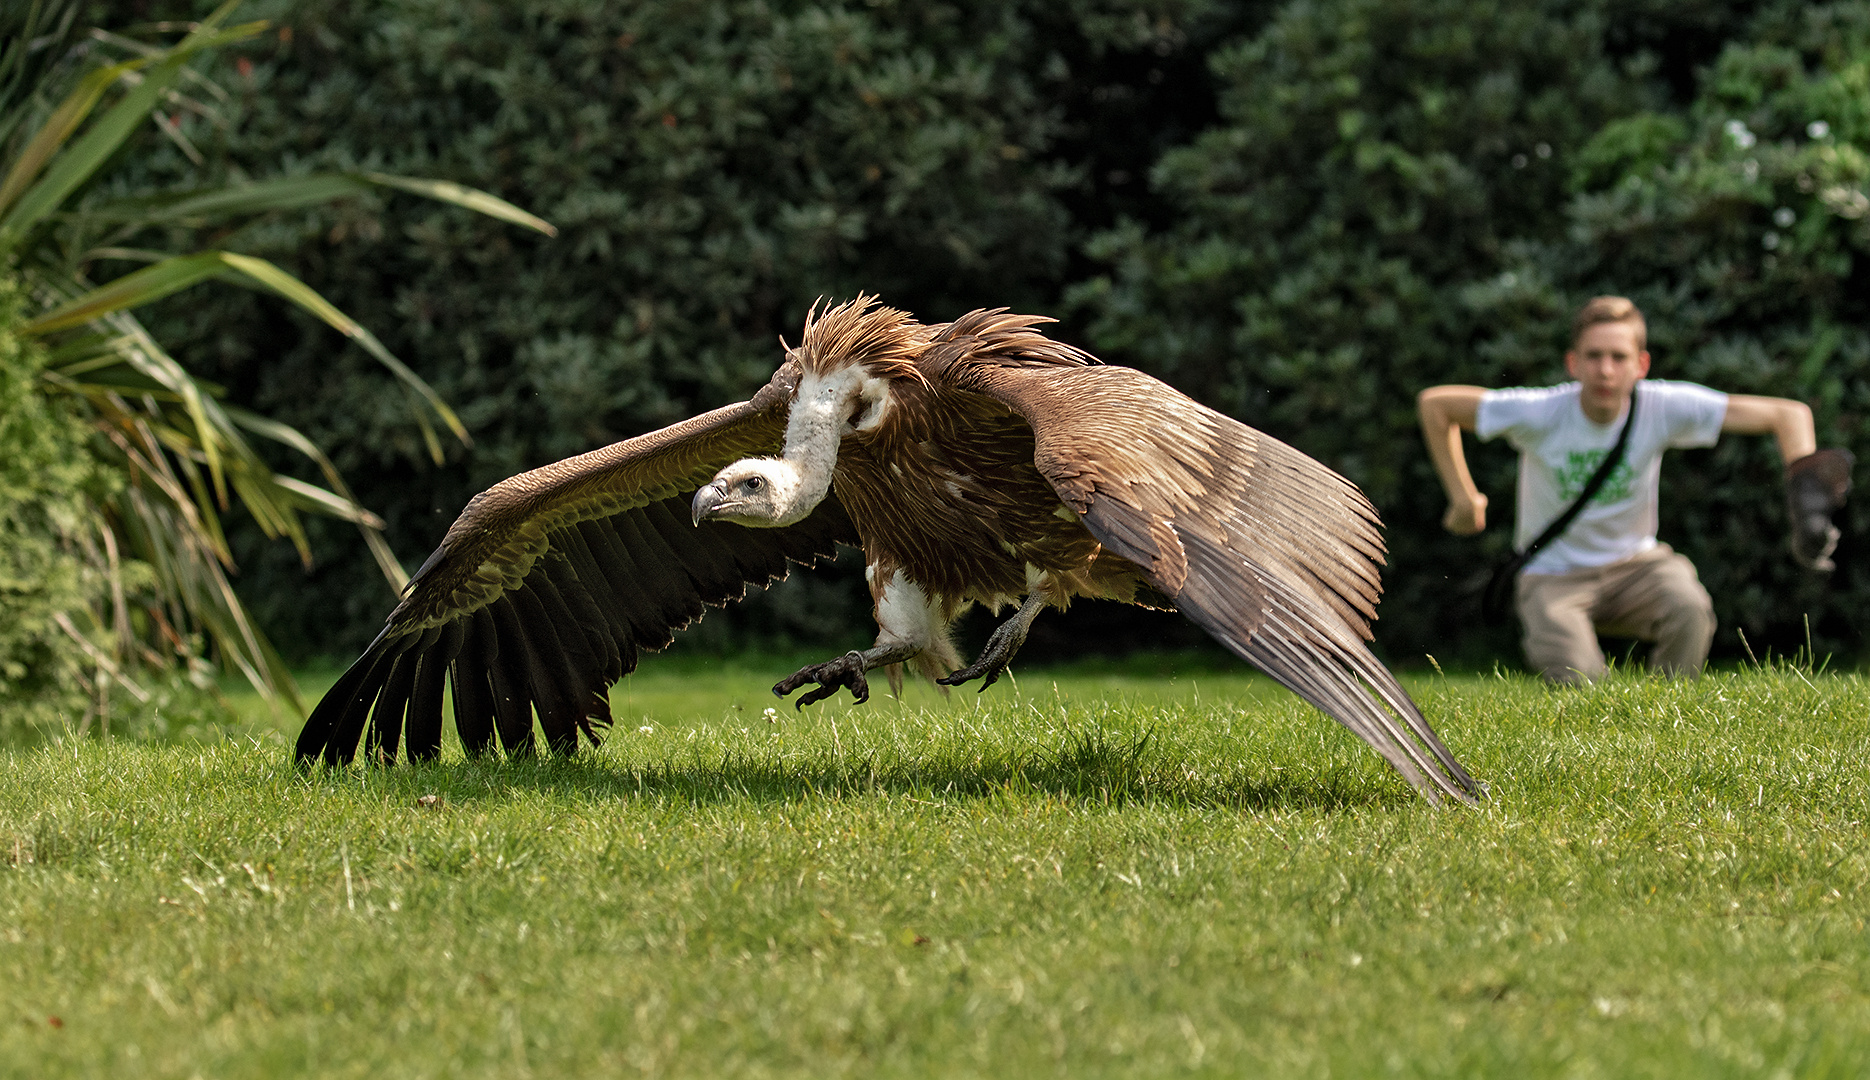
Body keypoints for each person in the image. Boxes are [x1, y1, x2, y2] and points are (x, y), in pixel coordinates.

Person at [1417, 296, 1851, 683]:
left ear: (1640, 365)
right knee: (1580, 685)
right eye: (1594, 356)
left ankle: (1667, 718)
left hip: (1637, 566)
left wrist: (1807, 499)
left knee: (1689, 609)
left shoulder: (1661, 406)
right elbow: (1436, 405)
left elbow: (1787, 414)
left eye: (1618, 357)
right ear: (1573, 363)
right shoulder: (1541, 412)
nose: (1606, 370)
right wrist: (1462, 495)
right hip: (1552, 577)